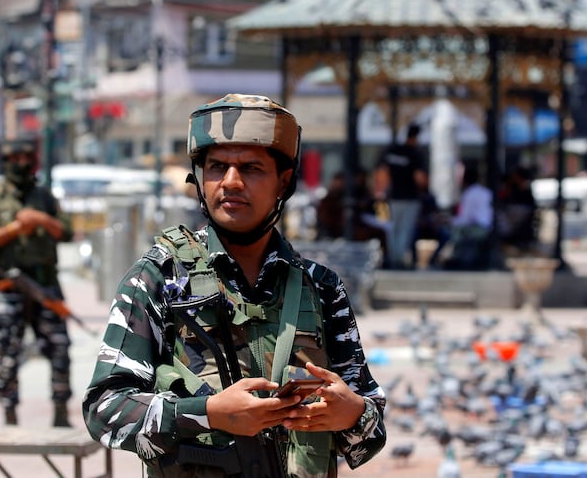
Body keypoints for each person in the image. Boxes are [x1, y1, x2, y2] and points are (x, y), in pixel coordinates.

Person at [82, 94, 386, 477]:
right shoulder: (160, 278)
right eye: (217, 167)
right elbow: (104, 410)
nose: (231, 182)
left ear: (284, 181)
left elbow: (370, 434)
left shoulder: (321, 288)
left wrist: (352, 413)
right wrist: (207, 415)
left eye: (251, 168)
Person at [0, 137, 74, 427]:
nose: (21, 163)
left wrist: (40, 219)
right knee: (6, 352)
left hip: (44, 286)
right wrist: (16, 228)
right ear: (5, 162)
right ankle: (9, 414)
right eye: (15, 159)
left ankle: (60, 411)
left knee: (59, 347)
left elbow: (66, 231)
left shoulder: (44, 196)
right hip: (9, 286)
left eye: (26, 157)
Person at [375, 122, 428, 269]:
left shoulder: (392, 151)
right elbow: (420, 178)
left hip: (392, 197)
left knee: (392, 228)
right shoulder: (415, 153)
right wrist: (424, 189)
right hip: (410, 197)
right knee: (405, 229)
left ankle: (393, 258)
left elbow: (381, 174)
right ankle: (400, 259)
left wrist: (381, 193)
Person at [431, 162, 493, 269]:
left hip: (478, 229)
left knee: (449, 232)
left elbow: (464, 219)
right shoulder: (486, 192)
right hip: (488, 227)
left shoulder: (469, 194)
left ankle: (449, 259)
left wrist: (448, 221)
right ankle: (451, 257)